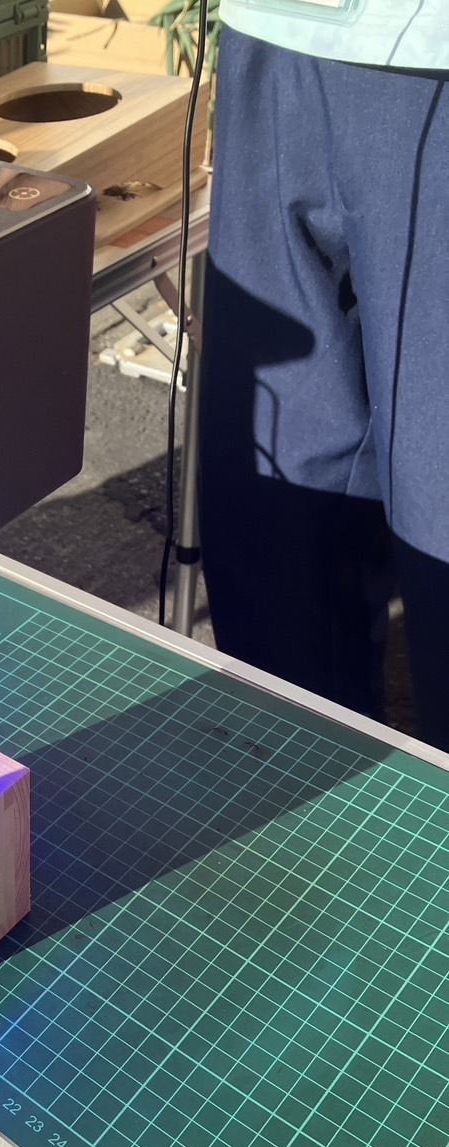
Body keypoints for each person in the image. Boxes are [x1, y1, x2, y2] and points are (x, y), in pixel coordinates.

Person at [198, 2, 449, 749]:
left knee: (439, 521)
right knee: (273, 528)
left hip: (431, 59)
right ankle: (299, 801)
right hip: (270, 33)